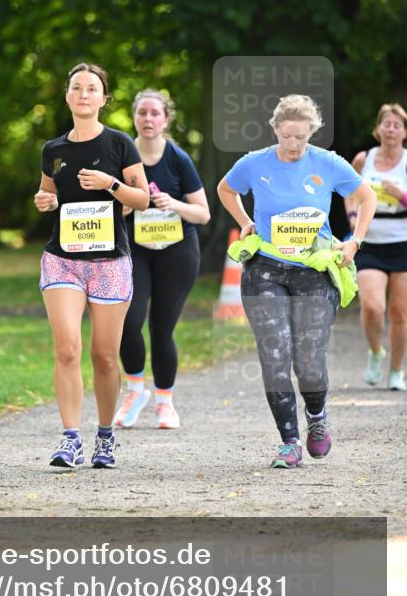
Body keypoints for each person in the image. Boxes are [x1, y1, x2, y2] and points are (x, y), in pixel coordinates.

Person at [217, 94, 376, 469]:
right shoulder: (254, 163)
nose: (293, 145)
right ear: (275, 130)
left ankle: (316, 416)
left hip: (314, 270)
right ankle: (289, 441)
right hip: (265, 268)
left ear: (312, 133)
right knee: (274, 356)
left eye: (301, 138)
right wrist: (245, 222)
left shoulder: (328, 163)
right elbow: (226, 189)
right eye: (286, 136)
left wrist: (355, 240)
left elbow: (366, 198)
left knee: (309, 360)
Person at [34, 62, 149, 469]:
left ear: (103, 98)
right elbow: (48, 195)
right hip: (62, 259)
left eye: (92, 88)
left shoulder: (119, 144)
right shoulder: (53, 150)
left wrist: (110, 184)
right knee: (67, 349)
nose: (83, 94)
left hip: (109, 262)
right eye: (77, 87)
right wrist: (45, 201)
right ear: (67, 96)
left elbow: (142, 199)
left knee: (104, 356)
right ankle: (70, 439)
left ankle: (104, 437)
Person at [114, 89, 210, 430]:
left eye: (155, 113)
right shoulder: (122, 155)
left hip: (177, 250)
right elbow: (107, 206)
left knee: (161, 328)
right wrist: (125, 207)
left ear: (166, 120)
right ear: (134, 118)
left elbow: (203, 213)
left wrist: (174, 204)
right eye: (142, 112)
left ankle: (165, 403)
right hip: (135, 250)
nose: (148, 119)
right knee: (128, 322)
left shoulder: (178, 159)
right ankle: (134, 392)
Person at [345, 103, 407, 391]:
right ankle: (375, 352)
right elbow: (347, 191)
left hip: (402, 243)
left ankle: (396, 371)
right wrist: (352, 216)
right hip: (369, 242)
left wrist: (402, 196)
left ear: (404, 132)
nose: (391, 130)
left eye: (397, 125)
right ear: (378, 129)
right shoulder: (363, 159)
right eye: (386, 124)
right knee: (372, 307)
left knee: (399, 313)